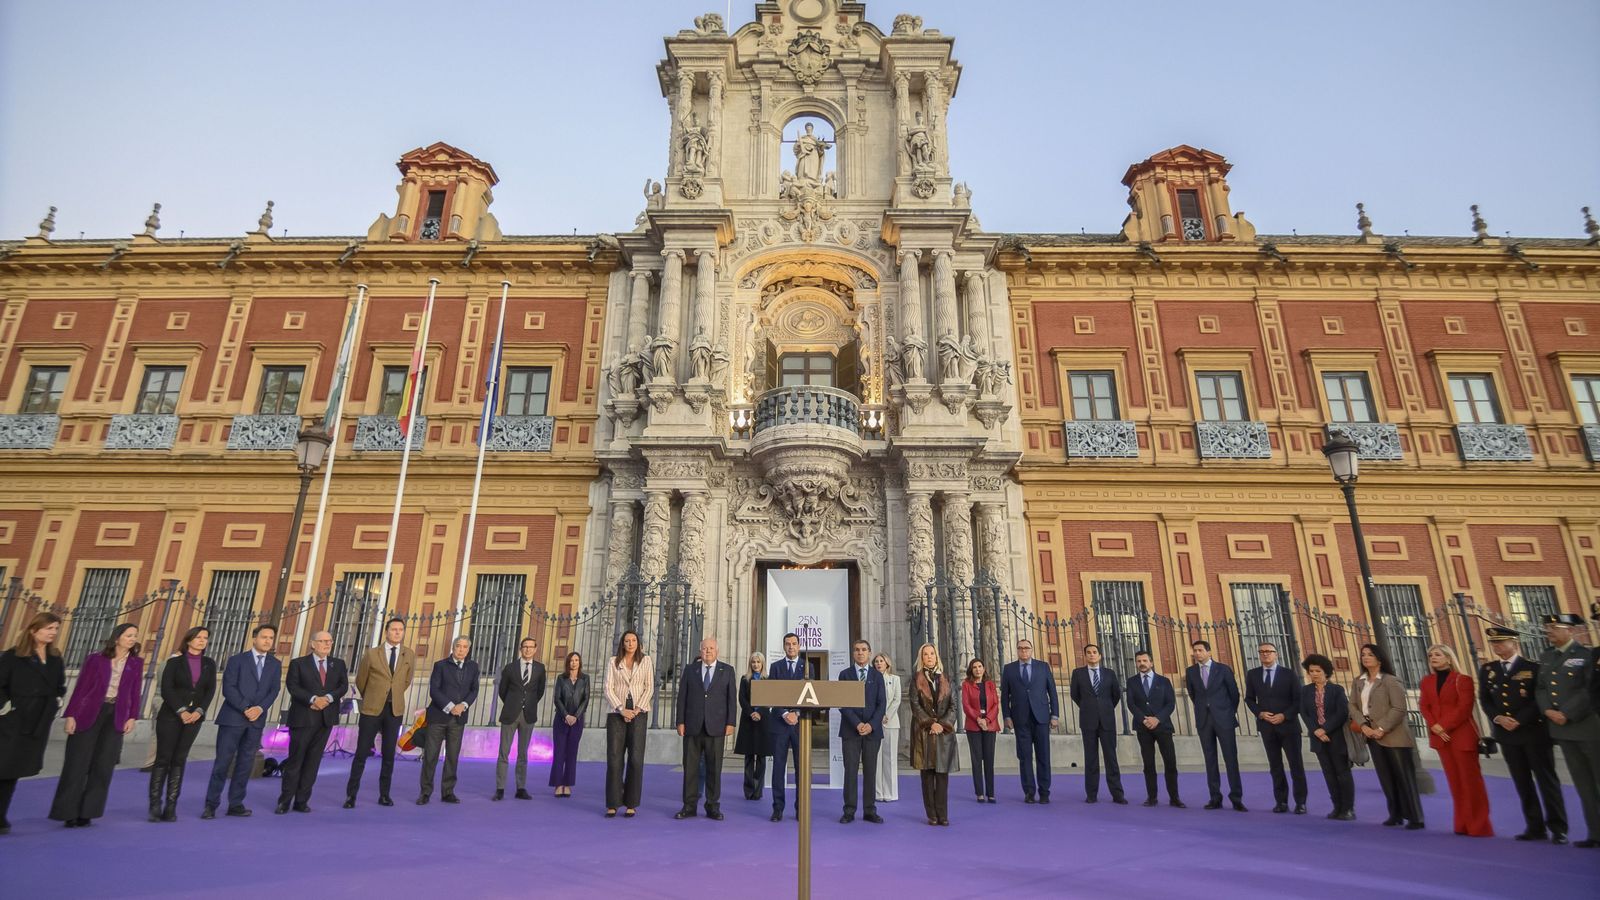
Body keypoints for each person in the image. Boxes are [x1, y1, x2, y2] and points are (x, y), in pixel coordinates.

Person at [1480, 625, 1566, 843]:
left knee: (1546, 780)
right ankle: (1534, 826)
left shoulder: (1532, 667)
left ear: (1514, 643)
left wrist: (1519, 719)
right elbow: (1485, 699)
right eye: (1493, 643)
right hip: (1507, 735)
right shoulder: (1489, 669)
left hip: (1533, 732)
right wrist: (1498, 718)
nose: (1497, 646)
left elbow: (1539, 698)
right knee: (1522, 781)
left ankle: (1558, 827)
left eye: (1501, 642)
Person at [51, 622, 143, 827]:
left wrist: (132, 717)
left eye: (135, 635)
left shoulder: (136, 663)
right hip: (90, 711)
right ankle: (67, 811)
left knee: (104, 763)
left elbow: (135, 692)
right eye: (128, 635)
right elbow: (81, 687)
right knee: (77, 762)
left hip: (115, 714)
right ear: (117, 637)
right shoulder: (96, 659)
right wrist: (71, 715)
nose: (132, 638)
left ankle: (88, 811)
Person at [1535, 613, 1600, 848]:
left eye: (1554, 627)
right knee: (1583, 784)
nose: (1549, 632)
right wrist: (1549, 712)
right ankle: (1595, 833)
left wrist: (1567, 713)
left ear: (1570, 631)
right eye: (1547, 628)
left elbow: (1589, 690)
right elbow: (1541, 688)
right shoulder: (1546, 657)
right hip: (1561, 730)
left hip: (1586, 727)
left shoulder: (1587, 655)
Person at [204, 624, 280, 819]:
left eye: (271, 638)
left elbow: (274, 690)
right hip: (233, 718)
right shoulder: (237, 660)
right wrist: (246, 708)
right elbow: (229, 687)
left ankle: (235, 803)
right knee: (223, 762)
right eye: (264, 637)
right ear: (254, 638)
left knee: (245, 763)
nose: (267, 641)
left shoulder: (275, 664)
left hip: (256, 721)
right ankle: (211, 804)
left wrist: (260, 708)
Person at [0, 613, 66, 834]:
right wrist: (5, 706)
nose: (53, 633)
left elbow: (60, 684)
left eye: (55, 629)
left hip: (39, 720)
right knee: (3, 766)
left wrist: (58, 699)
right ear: (33, 630)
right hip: (13, 719)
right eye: (49, 628)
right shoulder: (13, 656)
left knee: (14, 769)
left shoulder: (55, 658)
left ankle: (1, 815)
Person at [1420, 643, 1492, 837]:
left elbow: (1464, 708)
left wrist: (1443, 725)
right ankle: (1461, 823)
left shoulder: (1463, 680)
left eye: (1437, 655)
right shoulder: (1427, 681)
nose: (1433, 658)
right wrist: (1434, 725)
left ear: (1449, 658)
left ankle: (1479, 825)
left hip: (1461, 736)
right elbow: (1424, 706)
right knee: (1455, 782)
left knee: (1471, 782)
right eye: (1430, 655)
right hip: (1441, 738)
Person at [1350, 642, 1423, 830]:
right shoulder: (1359, 681)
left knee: (1403, 776)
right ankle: (1395, 813)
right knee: (1385, 776)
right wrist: (1364, 726)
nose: (1365, 657)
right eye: (1363, 654)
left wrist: (1381, 728)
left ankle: (1415, 816)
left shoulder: (1391, 680)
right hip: (1370, 734)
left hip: (1394, 735)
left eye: (1370, 655)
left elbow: (1399, 708)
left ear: (1379, 658)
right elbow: (1353, 706)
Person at [346, 616, 415, 808]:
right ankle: (351, 795)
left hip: (394, 710)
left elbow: (407, 681)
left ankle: (384, 794)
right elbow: (361, 680)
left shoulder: (408, 654)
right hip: (372, 708)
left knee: (388, 754)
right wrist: (374, 695)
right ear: (386, 631)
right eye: (394, 629)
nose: (397, 633)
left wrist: (393, 693)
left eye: (400, 630)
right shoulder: (372, 653)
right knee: (362, 752)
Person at [150, 625, 215, 822]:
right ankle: (154, 804)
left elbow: (209, 690)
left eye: (205, 638)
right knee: (163, 758)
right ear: (188, 640)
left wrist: (198, 711)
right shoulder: (174, 662)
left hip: (194, 719)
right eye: (198, 637)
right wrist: (181, 710)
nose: (202, 640)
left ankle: (171, 805)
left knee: (179, 759)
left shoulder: (209, 664)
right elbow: (167, 689)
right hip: (171, 716)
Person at [278, 630, 347, 815]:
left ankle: (302, 800)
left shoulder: (338, 664)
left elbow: (343, 686)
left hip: (325, 719)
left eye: (330, 641)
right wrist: (313, 699)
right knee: (296, 760)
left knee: (313, 762)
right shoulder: (298, 663)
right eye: (323, 641)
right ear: (313, 644)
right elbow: (293, 686)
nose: (327, 644)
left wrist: (329, 698)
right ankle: (285, 800)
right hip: (303, 718)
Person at [676, 637, 737, 820]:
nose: (708, 651)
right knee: (691, 768)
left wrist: (731, 723)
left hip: (716, 727)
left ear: (717, 651)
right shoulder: (690, 670)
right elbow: (682, 698)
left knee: (714, 769)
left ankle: (712, 806)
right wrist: (680, 721)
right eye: (704, 649)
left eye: (711, 648)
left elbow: (731, 700)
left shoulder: (726, 671)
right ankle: (689, 806)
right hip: (693, 727)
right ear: (700, 651)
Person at [1244, 641, 1307, 814]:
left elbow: (1298, 700)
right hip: (1267, 726)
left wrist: (1284, 715)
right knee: (1275, 765)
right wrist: (1260, 713)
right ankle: (1281, 801)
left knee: (1296, 765)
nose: (1265, 654)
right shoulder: (1253, 674)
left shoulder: (1289, 674)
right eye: (1261, 651)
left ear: (1276, 654)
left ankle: (1300, 802)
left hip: (1288, 726)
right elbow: (1249, 699)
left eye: (1269, 651)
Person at [1185, 640, 1245, 811]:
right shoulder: (1191, 672)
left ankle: (1236, 797)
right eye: (1195, 650)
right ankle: (1214, 797)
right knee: (1210, 760)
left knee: (1230, 759)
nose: (1197, 653)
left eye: (1200, 650)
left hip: (1224, 719)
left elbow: (1234, 694)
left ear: (1209, 652)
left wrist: (1226, 712)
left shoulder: (1223, 669)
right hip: (1204, 720)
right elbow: (1193, 694)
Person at [419, 636, 477, 805]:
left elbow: (474, 690)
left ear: (468, 649)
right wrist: (451, 706)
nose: (461, 650)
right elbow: (434, 690)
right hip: (438, 717)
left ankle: (448, 792)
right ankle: (425, 792)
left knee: (452, 757)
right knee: (431, 756)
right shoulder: (440, 665)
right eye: (458, 646)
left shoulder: (473, 667)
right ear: (453, 647)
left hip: (458, 719)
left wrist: (463, 705)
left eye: (465, 647)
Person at [1001, 638, 1058, 804]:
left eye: (1026, 648)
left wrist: (1054, 715)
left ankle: (1045, 791)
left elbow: (1052, 692)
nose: (1023, 651)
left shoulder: (1042, 667)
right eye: (1020, 648)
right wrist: (1007, 716)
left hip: (1041, 718)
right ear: (1017, 650)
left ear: (1031, 650)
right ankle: (1029, 791)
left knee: (1043, 756)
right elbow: (1005, 696)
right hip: (1020, 719)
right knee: (1024, 757)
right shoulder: (1009, 669)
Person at [1299, 653, 1354, 820]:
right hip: (1318, 739)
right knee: (1328, 773)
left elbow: (1342, 712)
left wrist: (1325, 729)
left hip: (1336, 737)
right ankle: (1336, 807)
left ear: (1326, 672)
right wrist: (1315, 730)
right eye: (1311, 671)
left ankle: (1348, 808)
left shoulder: (1337, 690)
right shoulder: (1305, 691)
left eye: (1317, 671)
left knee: (1342, 773)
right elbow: (1304, 712)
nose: (1314, 674)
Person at [603, 629, 652, 818]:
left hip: (639, 713)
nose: (630, 643)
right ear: (622, 644)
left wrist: (637, 709)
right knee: (615, 758)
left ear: (638, 643)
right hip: (617, 713)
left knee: (635, 759)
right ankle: (613, 802)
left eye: (633, 640)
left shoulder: (646, 661)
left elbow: (649, 686)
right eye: (627, 641)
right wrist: (621, 709)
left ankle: (631, 802)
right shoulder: (613, 661)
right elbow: (608, 687)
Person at [1069, 644, 1126, 804]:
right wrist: (1090, 707)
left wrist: (1104, 708)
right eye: (1088, 653)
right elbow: (1075, 694)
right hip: (1088, 721)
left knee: (1111, 758)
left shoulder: (1109, 673)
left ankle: (1117, 794)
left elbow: (1116, 695)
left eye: (1095, 652)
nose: (1092, 655)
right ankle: (1091, 794)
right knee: (1091, 758)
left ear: (1100, 656)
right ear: (1085, 656)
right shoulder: (1078, 674)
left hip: (1107, 721)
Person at [1126, 649, 1182, 808]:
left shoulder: (1164, 681)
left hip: (1163, 727)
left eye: (1144, 661)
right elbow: (1131, 704)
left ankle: (1174, 797)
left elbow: (1170, 703)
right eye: (1138, 661)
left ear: (1151, 663)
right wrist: (1144, 719)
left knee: (1170, 763)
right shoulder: (1132, 682)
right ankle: (1152, 797)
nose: (1142, 663)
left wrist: (1157, 719)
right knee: (1148, 764)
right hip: (1143, 728)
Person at [838, 639, 886, 823]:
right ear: (853, 653)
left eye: (864, 650)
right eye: (857, 650)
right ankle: (849, 810)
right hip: (851, 731)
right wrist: (857, 724)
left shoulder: (877, 675)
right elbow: (842, 703)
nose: (860, 653)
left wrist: (871, 725)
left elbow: (882, 704)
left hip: (872, 732)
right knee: (850, 771)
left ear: (869, 653)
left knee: (870, 771)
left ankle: (869, 810)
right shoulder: (845, 675)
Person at [910, 642, 958, 826]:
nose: (929, 657)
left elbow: (953, 705)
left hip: (943, 733)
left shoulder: (946, 678)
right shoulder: (916, 679)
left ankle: (943, 814)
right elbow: (915, 706)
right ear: (921, 658)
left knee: (942, 775)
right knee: (928, 775)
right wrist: (931, 723)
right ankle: (931, 814)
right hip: (924, 732)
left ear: (936, 656)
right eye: (925, 654)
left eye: (932, 654)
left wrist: (942, 724)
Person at [495, 637, 547, 801]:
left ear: (535, 649)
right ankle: (500, 788)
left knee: (523, 753)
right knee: (504, 752)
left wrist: (527, 704)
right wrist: (513, 703)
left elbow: (539, 691)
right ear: (520, 648)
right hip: (510, 714)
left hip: (528, 715)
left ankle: (521, 787)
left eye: (531, 647)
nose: (528, 650)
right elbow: (502, 691)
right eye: (525, 647)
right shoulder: (510, 668)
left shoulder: (540, 668)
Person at [766, 632, 806, 822]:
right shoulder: (775, 667)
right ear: (784, 647)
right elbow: (771, 695)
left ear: (799, 646)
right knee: (779, 768)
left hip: (800, 726)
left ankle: (801, 808)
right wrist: (784, 713)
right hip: (780, 725)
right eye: (788, 644)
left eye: (794, 644)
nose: (791, 647)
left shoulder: (808, 667)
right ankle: (778, 808)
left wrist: (796, 713)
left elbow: (811, 695)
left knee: (801, 768)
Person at [961, 657, 1000, 804]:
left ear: (984, 669)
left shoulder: (990, 685)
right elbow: (966, 705)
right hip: (974, 726)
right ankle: (979, 793)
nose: (978, 669)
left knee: (989, 759)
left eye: (980, 666)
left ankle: (991, 793)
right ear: (971, 670)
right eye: (975, 667)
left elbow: (996, 704)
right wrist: (978, 719)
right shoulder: (966, 685)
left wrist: (987, 720)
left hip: (989, 725)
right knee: (977, 759)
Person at [549, 651, 587, 798]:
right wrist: (566, 715)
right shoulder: (561, 678)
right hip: (561, 720)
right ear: (568, 663)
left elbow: (586, 699)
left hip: (577, 722)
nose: (574, 662)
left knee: (572, 753)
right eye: (571, 660)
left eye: (576, 660)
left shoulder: (585, 679)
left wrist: (575, 716)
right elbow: (557, 698)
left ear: (579, 662)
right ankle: (558, 784)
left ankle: (568, 784)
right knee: (559, 752)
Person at [734, 652, 766, 801]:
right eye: (753, 662)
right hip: (748, 720)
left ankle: (758, 791)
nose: (756, 665)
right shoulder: (744, 679)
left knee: (761, 757)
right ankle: (748, 790)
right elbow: (742, 699)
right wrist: (751, 713)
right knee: (748, 757)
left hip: (762, 722)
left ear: (762, 664)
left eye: (758, 662)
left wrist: (760, 713)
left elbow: (769, 699)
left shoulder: (768, 679)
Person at [874, 653, 901, 803]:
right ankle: (878, 792)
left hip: (891, 722)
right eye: (876, 662)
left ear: (887, 663)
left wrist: (886, 715)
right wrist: (878, 717)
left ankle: (891, 793)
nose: (879, 664)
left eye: (881, 661)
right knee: (877, 758)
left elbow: (897, 700)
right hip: (875, 723)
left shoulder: (895, 679)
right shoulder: (870, 679)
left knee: (890, 758)